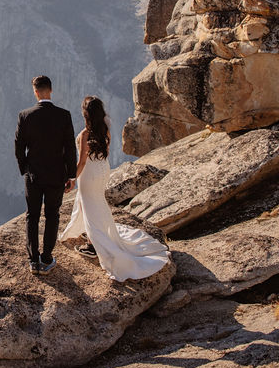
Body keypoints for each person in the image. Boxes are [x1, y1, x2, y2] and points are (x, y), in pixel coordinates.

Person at [58, 95, 170, 280]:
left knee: (90, 206)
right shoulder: (105, 130)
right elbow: (106, 152)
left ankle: (93, 245)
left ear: (86, 114)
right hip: (103, 169)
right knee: (96, 202)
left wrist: (71, 179)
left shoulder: (86, 134)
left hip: (90, 172)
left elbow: (83, 161)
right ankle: (86, 231)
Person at [14, 75, 77, 275]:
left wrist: (25, 168)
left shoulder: (25, 115)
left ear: (35, 92)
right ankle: (47, 258)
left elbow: (18, 147)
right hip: (57, 175)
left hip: (33, 175)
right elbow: (70, 149)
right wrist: (71, 175)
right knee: (52, 215)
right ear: (51, 90)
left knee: (32, 216)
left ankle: (33, 260)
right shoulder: (64, 115)